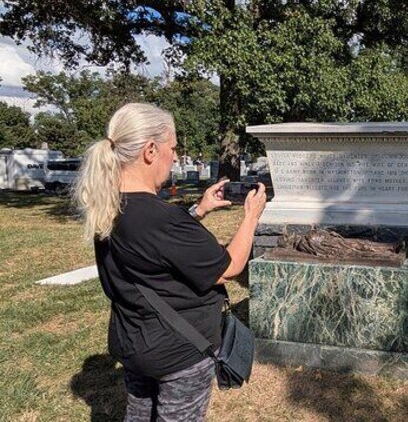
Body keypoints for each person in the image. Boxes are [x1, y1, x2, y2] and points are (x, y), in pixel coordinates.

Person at [74, 103, 266, 421]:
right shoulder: (161, 218)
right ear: (150, 150)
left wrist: (198, 211)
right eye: (173, 148)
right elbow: (228, 268)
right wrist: (251, 217)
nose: (175, 158)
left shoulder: (109, 208)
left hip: (134, 342)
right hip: (179, 352)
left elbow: (151, 248)